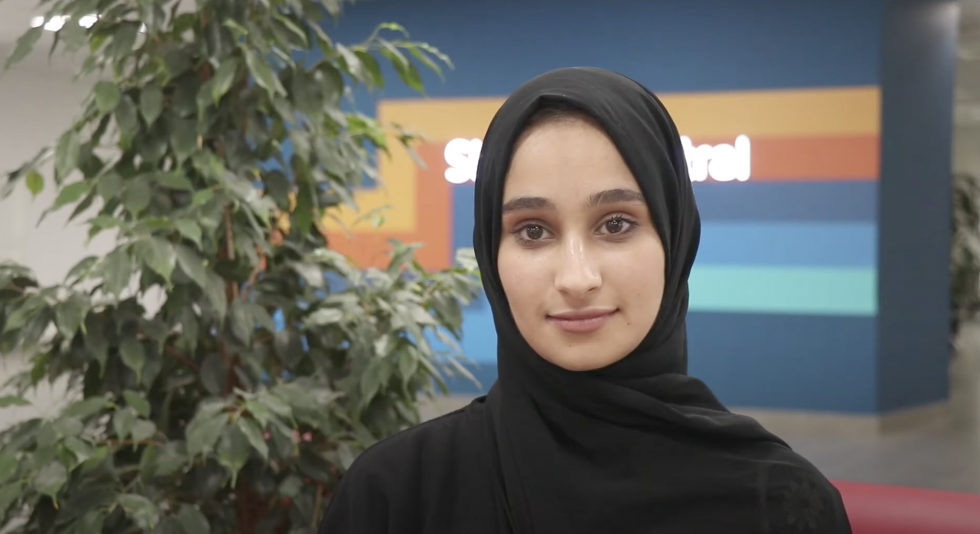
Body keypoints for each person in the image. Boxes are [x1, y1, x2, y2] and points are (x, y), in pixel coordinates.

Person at [317, 67, 852, 534]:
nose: (577, 278)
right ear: (490, 252)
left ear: (675, 239)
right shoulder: (396, 495)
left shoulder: (781, 506)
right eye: (532, 231)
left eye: (616, 224)